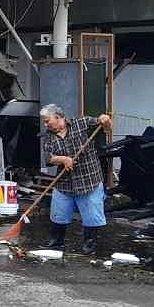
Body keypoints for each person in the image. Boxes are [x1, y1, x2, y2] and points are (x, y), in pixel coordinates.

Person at [39, 104, 112, 255]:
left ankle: (89, 245)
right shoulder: (48, 136)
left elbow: (105, 127)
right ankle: (56, 242)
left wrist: (105, 120)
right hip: (65, 183)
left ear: (58, 117)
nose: (45, 124)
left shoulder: (82, 123)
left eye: (47, 121)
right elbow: (49, 158)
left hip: (89, 179)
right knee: (59, 213)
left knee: (92, 214)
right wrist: (63, 159)